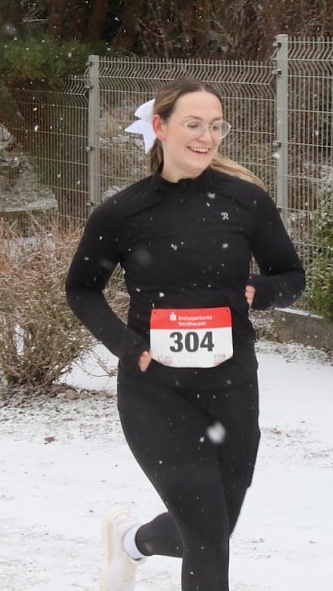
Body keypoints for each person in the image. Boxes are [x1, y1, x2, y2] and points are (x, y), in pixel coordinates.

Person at [66, 78, 305, 591]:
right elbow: (82, 289)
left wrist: (261, 291)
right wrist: (126, 347)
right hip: (157, 392)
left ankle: (131, 543)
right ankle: (137, 544)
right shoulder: (122, 212)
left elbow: (292, 276)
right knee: (207, 534)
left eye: (216, 126)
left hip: (232, 387)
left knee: (216, 527)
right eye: (193, 124)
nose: (206, 136)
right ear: (160, 127)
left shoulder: (246, 201)